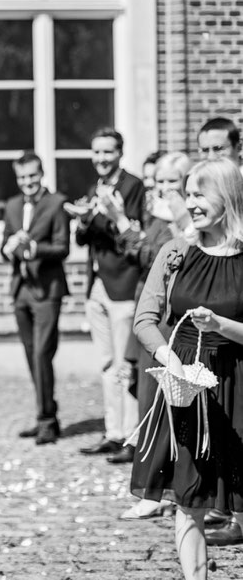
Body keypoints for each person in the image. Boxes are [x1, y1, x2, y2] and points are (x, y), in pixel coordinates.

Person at [129, 158, 243, 579]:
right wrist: (170, 360)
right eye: (188, 194)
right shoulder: (175, 251)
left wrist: (221, 325)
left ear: (228, 197)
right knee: (188, 496)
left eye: (200, 194)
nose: (190, 204)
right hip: (187, 389)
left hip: (239, 384)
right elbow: (145, 318)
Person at [107, 151, 192, 519]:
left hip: (177, 318)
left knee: (173, 407)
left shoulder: (183, 218)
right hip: (152, 312)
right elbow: (142, 254)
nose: (163, 189)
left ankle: (176, 489)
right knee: (148, 403)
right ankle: (154, 489)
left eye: (172, 182)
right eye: (159, 182)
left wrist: (130, 225)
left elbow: (155, 253)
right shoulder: (159, 215)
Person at [66, 127, 144, 460]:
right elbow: (84, 240)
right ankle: (114, 432)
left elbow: (135, 237)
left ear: (120, 153)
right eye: (96, 152)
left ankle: (132, 436)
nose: (100, 158)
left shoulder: (134, 186)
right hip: (96, 283)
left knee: (126, 364)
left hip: (124, 283)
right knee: (106, 362)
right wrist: (84, 221)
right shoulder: (94, 188)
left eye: (107, 152)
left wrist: (111, 216)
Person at [1, 151, 69, 445]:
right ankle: (47, 413)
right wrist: (10, 248)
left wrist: (32, 248)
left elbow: (62, 248)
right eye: (22, 177)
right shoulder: (12, 205)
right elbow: (5, 245)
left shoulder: (57, 203)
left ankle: (46, 420)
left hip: (47, 289)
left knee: (42, 353)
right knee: (32, 355)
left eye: (32, 176)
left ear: (42, 174)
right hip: (21, 289)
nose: (27, 182)